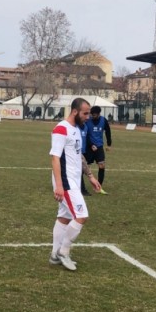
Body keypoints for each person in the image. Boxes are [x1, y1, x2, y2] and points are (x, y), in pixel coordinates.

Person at [49, 98, 102, 271]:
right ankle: (64, 252)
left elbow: (79, 156)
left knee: (64, 217)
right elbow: (55, 157)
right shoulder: (61, 129)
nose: (88, 117)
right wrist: (58, 185)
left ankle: (54, 254)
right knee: (81, 215)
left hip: (73, 179)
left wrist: (91, 176)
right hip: (65, 181)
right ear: (74, 112)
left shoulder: (78, 129)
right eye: (85, 113)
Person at [84, 106, 112, 194]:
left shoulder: (104, 121)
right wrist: (91, 144)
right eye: (92, 115)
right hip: (89, 147)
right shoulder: (87, 121)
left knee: (102, 165)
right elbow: (85, 134)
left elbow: (108, 131)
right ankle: (78, 186)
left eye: (95, 115)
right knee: (84, 167)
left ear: (99, 114)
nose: (93, 116)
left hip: (99, 147)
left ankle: (98, 187)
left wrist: (109, 144)